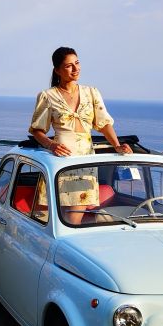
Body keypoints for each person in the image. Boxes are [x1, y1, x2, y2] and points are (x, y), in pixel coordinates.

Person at [29, 47, 132, 222]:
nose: (76, 69)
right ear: (57, 70)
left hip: (85, 162)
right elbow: (37, 130)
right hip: (60, 162)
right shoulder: (48, 96)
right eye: (69, 66)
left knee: (74, 221)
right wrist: (51, 145)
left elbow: (104, 124)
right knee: (55, 220)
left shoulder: (91, 93)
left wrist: (116, 145)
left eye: (77, 63)